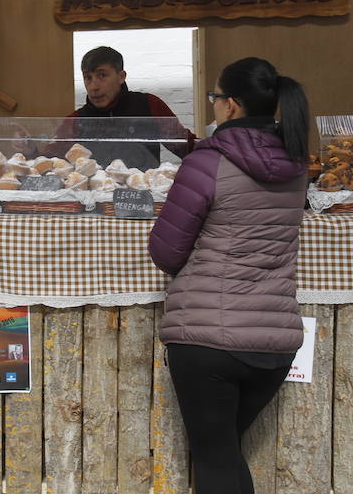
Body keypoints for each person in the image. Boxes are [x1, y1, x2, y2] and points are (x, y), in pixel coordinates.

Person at [147, 57, 309, 494]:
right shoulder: (297, 165)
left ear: (232, 105)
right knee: (224, 455)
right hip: (275, 342)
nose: (214, 105)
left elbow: (166, 250)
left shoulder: (208, 161)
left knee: (215, 462)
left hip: (208, 339)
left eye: (215, 97)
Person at [27, 46, 196, 169]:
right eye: (88, 78)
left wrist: (216, 149)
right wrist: (30, 150)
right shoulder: (76, 121)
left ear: (121, 76)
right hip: (95, 205)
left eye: (102, 75)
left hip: (143, 201)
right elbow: (48, 163)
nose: (94, 86)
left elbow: (186, 146)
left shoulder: (149, 105)